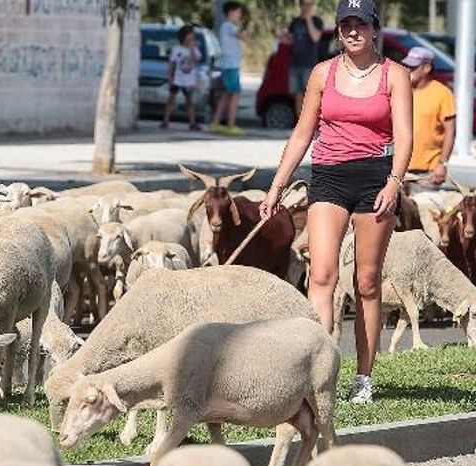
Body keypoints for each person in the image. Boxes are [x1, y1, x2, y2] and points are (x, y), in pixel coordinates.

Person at [260, 0, 412, 404]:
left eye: (360, 24)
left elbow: (405, 137)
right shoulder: (322, 73)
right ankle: (315, 374)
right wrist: (277, 185)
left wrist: (394, 184)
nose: (352, 31)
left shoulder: (393, 75)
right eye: (345, 24)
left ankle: (363, 378)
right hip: (327, 175)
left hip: (375, 179)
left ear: (375, 28)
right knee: (322, 275)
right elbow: (301, 133)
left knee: (366, 282)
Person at [402, 47, 455, 186]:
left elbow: (450, 131)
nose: (408, 70)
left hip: (428, 173)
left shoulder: (442, 94)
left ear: (427, 68)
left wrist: (442, 164)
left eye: (413, 67)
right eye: (407, 66)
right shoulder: (400, 91)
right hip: (400, 168)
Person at [210, 2, 255, 137]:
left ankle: (215, 123)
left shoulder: (228, 26)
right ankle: (230, 125)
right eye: (238, 12)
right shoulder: (228, 26)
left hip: (228, 66)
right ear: (231, 12)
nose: (239, 15)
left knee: (226, 96)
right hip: (230, 66)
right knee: (235, 95)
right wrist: (250, 41)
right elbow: (239, 35)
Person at [283, 0, 324, 119]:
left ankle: (313, 125)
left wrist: (308, 20)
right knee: (298, 96)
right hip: (295, 63)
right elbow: (291, 39)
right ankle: (299, 125)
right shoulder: (295, 22)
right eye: (305, 4)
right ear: (300, 6)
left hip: (309, 64)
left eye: (310, 4)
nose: (307, 7)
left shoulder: (317, 21)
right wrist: (282, 38)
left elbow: (315, 37)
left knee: (311, 96)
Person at [161, 25, 202, 131]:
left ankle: (192, 123)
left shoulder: (194, 49)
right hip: (177, 79)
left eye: (191, 36)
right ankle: (165, 121)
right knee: (171, 99)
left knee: (189, 101)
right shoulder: (176, 49)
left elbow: (197, 60)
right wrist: (170, 77)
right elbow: (172, 64)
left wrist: (192, 48)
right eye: (188, 35)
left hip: (189, 80)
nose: (190, 38)